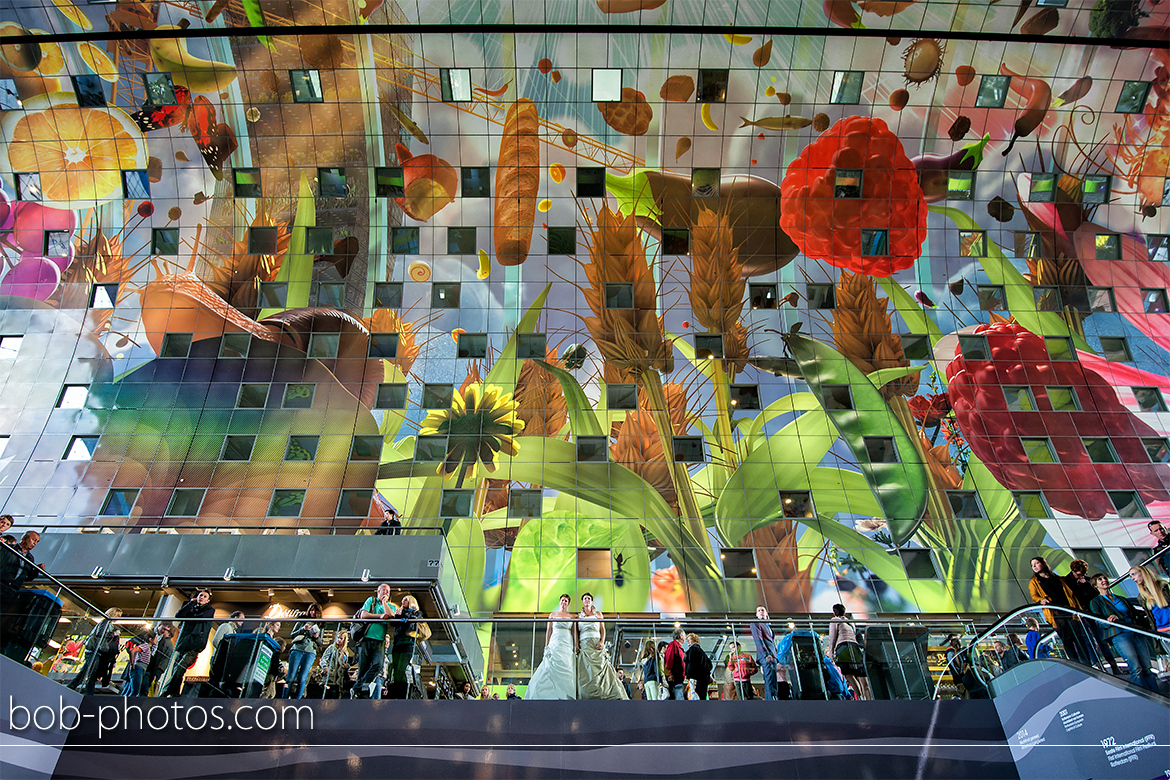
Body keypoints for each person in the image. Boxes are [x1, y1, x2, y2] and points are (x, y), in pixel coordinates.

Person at [1088, 573, 1160, 692]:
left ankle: (1156, 693)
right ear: (1095, 586)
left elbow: (1134, 613)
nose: (1104, 580)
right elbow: (1098, 621)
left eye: (1105, 578)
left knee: (1147, 667)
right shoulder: (1096, 602)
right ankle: (1144, 696)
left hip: (1134, 631)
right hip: (1120, 635)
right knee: (1135, 667)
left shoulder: (1121, 598)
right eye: (1100, 580)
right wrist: (1108, 621)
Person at [1027, 556, 1089, 664]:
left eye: (1036, 563)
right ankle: (1076, 663)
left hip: (1068, 610)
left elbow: (1070, 594)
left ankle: (1087, 663)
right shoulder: (1035, 581)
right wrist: (1042, 600)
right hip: (1055, 613)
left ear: (1043, 563)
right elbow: (1034, 596)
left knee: (1079, 638)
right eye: (1032, 565)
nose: (1034, 566)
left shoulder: (1057, 578)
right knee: (1067, 639)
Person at [1065, 560, 1120, 673]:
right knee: (1088, 640)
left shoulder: (1088, 581)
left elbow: (1096, 595)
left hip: (1094, 614)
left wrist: (1085, 583)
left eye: (1082, 574)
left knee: (1101, 639)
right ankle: (1096, 665)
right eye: (1078, 574)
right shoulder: (1067, 582)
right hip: (1080, 615)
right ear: (1073, 571)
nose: (1080, 576)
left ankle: (1112, 664)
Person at [163, 590, 216, 697]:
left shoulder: (209, 610)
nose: (201, 598)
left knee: (179, 668)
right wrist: (191, 603)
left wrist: (190, 618)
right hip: (184, 643)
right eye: (200, 595)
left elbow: (201, 619)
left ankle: (165, 692)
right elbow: (179, 615)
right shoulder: (192, 608)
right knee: (176, 669)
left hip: (194, 645)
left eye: (204, 596)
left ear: (208, 600)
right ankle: (174, 693)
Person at [575, 593, 627, 699]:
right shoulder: (578, 616)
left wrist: (602, 642)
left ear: (591, 601)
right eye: (585, 598)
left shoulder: (598, 614)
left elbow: (602, 629)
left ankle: (605, 692)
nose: (587, 600)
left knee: (602, 668)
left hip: (596, 644)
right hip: (584, 644)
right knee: (586, 670)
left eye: (589, 598)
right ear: (582, 601)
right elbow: (576, 632)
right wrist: (576, 644)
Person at [525, 594, 577, 699]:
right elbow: (548, 631)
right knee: (551, 663)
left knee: (566, 664)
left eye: (566, 601)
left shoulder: (572, 616)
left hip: (567, 641)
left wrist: (576, 644)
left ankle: (566, 693)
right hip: (555, 640)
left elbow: (574, 632)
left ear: (568, 604)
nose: (564, 602)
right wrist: (546, 644)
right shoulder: (552, 615)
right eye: (562, 600)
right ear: (559, 601)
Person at [354, 583, 396, 699]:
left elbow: (391, 615)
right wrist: (380, 616)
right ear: (378, 592)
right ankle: (360, 692)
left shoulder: (390, 606)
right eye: (384, 590)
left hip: (380, 640)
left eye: (388, 591)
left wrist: (384, 602)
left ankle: (358, 686)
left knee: (378, 664)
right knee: (363, 666)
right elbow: (363, 615)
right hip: (367, 638)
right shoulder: (371, 601)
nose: (386, 593)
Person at [68, 607, 123, 695]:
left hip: (94, 651)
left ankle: (71, 687)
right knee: (92, 673)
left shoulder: (106, 623)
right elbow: (100, 635)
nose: (119, 618)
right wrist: (113, 634)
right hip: (95, 651)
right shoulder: (105, 622)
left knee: (85, 671)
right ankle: (88, 693)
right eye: (118, 615)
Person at [827, 604, 871, 700]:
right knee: (860, 675)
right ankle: (868, 699)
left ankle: (859, 697)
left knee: (848, 674)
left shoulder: (835, 620)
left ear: (834, 612)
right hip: (855, 648)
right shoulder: (850, 622)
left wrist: (831, 654)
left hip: (843, 647)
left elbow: (832, 638)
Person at [387, 595, 421, 699]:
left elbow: (413, 620)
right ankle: (396, 692)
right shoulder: (399, 612)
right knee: (396, 668)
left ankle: (401, 693)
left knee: (402, 667)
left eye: (405, 599)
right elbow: (393, 624)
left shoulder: (416, 612)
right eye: (402, 599)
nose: (403, 601)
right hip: (397, 643)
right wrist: (399, 616)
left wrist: (402, 617)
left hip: (408, 643)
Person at [285, 605, 322, 699]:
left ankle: (298, 699)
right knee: (291, 676)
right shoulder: (302, 620)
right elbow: (292, 635)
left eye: (315, 611)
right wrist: (303, 629)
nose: (312, 613)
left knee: (302, 678)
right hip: (298, 648)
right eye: (311, 611)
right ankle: (284, 698)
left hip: (310, 651)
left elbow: (320, 643)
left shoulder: (321, 624)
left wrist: (316, 637)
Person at [749, 606, 781, 700]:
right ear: (756, 614)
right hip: (766, 656)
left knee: (773, 680)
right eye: (758, 611)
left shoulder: (768, 625)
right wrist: (767, 655)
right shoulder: (756, 623)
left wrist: (775, 655)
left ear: (766, 613)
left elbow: (771, 641)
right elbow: (758, 640)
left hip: (773, 656)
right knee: (769, 680)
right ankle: (770, 701)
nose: (761, 612)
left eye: (762, 610)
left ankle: (773, 699)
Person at [1131, 564, 1170, 635]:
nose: (1132, 578)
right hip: (1162, 631)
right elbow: (1150, 617)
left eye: (1134, 574)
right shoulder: (1142, 596)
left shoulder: (1164, 586)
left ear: (1142, 572)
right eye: (1131, 576)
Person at [121, 629, 157, 697]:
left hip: (141, 668)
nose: (157, 640)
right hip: (138, 668)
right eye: (155, 638)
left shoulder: (148, 648)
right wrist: (132, 663)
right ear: (150, 639)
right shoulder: (145, 646)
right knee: (134, 691)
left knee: (132, 690)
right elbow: (133, 650)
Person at [317, 630, 352, 699]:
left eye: (341, 638)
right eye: (338, 638)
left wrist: (347, 666)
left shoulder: (346, 652)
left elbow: (345, 665)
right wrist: (325, 667)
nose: (338, 640)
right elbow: (323, 659)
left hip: (340, 681)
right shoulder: (332, 648)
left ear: (344, 640)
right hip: (331, 678)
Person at [143, 624, 174, 696]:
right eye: (163, 629)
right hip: (152, 668)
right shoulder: (166, 642)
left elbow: (161, 658)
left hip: (153, 669)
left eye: (166, 630)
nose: (163, 631)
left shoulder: (165, 643)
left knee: (145, 688)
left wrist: (157, 672)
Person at [683, 633, 712, 700]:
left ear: (694, 640)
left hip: (695, 679)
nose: (687, 641)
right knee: (702, 697)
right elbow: (710, 665)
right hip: (703, 679)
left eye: (689, 639)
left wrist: (688, 676)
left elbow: (691, 664)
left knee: (694, 697)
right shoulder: (701, 651)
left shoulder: (693, 650)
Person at [663, 628, 686, 700]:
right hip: (675, 679)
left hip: (678, 679)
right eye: (685, 636)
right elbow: (669, 660)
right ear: (681, 636)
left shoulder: (677, 646)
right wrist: (669, 674)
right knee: (679, 700)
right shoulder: (673, 645)